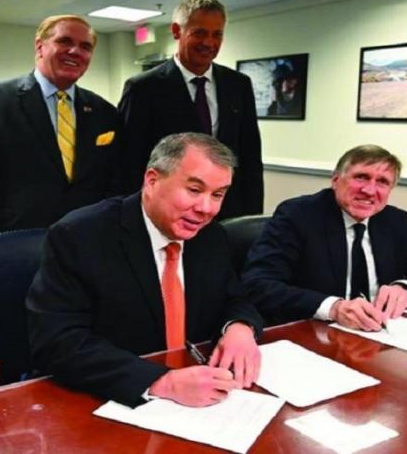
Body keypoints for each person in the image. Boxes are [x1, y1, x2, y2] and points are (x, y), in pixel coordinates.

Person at [26, 133, 263, 407]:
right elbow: (57, 342)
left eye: (218, 195)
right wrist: (161, 382)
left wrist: (240, 328)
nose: (206, 209)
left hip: (199, 394)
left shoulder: (211, 237)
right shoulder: (80, 235)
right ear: (152, 180)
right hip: (105, 398)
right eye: (194, 190)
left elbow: (235, 297)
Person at [243, 144, 407, 329]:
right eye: (361, 177)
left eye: (382, 182)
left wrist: (406, 288)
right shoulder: (298, 216)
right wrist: (334, 308)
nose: (369, 190)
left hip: (384, 334)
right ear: (336, 180)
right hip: (318, 334)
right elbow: (258, 284)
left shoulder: (395, 222)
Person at [0, 15, 119, 244]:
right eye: (64, 41)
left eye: (85, 47)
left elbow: (112, 180)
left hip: (84, 239)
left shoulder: (103, 110)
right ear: (40, 46)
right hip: (12, 240)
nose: (75, 51)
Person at [118, 0, 263, 220]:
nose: (209, 43)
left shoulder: (238, 85)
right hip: (167, 212)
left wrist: (252, 216)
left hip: (226, 211)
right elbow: (130, 161)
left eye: (217, 35)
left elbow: (250, 154)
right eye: (200, 33)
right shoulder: (144, 88)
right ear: (177, 31)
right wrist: (132, 218)